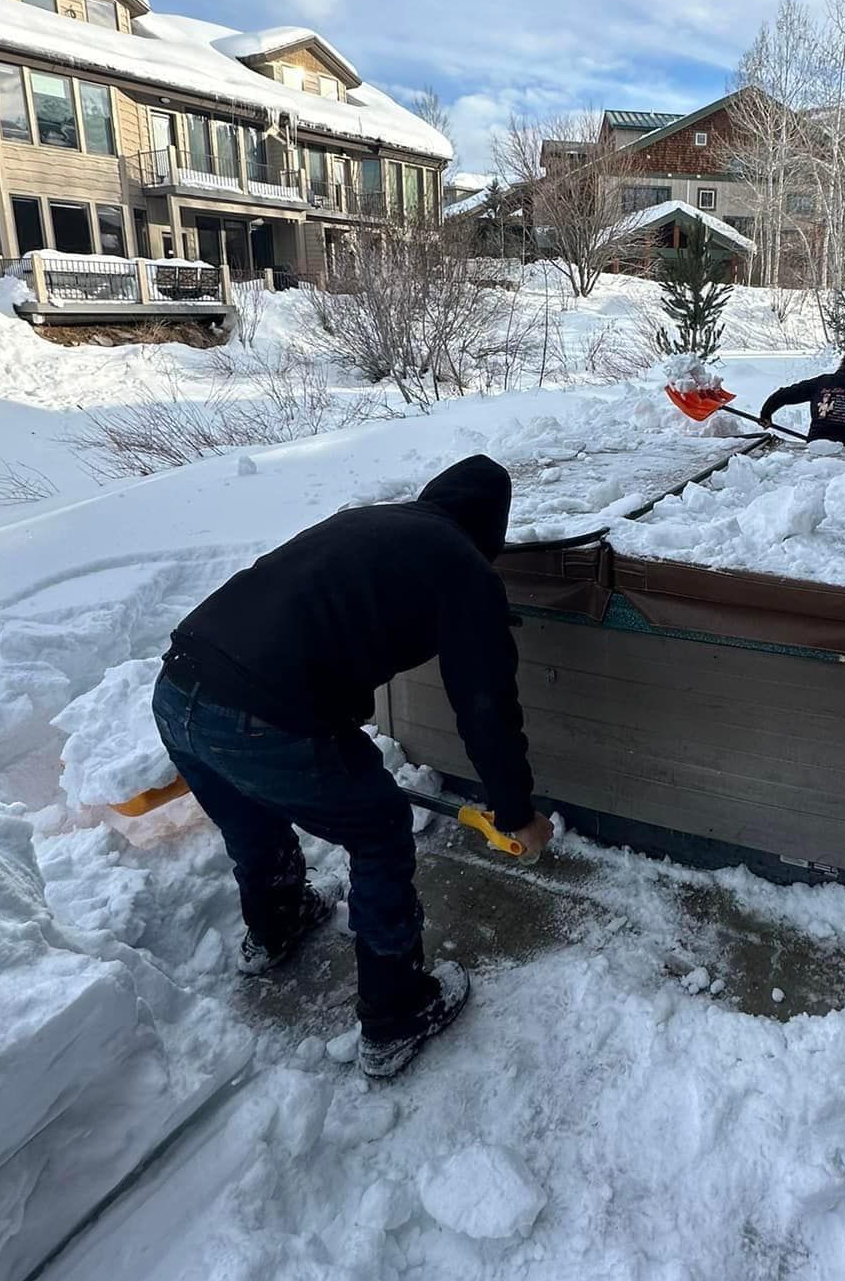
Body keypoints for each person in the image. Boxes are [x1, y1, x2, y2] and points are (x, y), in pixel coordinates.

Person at [151, 455, 552, 1080]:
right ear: (491, 528)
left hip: (178, 690)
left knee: (250, 817)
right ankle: (395, 1015)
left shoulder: (373, 520)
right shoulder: (463, 567)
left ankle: (275, 925)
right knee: (379, 829)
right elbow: (484, 703)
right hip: (264, 714)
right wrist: (516, 811)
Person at [758, 346, 845, 446]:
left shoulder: (823, 382)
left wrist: (766, 414)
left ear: (843, 364)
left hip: (816, 445)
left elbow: (784, 395)